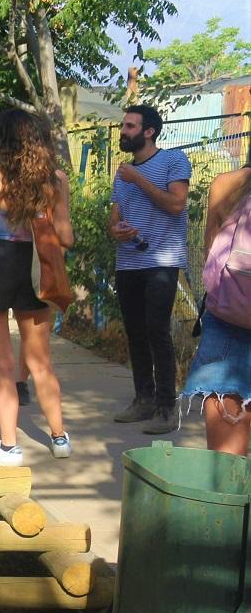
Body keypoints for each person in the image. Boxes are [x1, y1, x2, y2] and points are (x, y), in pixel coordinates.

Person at [0, 109, 75, 463]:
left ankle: (10, 446)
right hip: (34, 270)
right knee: (41, 363)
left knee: (2, 366)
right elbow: (67, 237)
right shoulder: (54, 180)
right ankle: (59, 438)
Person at [110, 104, 191, 432]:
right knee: (136, 332)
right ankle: (142, 399)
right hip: (129, 262)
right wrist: (115, 229)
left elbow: (176, 204)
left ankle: (166, 408)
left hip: (162, 261)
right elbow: (114, 215)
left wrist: (138, 179)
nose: (123, 131)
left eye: (130, 126)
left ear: (149, 131)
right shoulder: (123, 173)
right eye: (123, 125)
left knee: (157, 330)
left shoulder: (173, 160)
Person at [186, 161, 251, 453]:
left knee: (226, 462)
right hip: (228, 319)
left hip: (229, 314)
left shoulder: (229, 185)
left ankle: (229, 497)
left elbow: (211, 251)